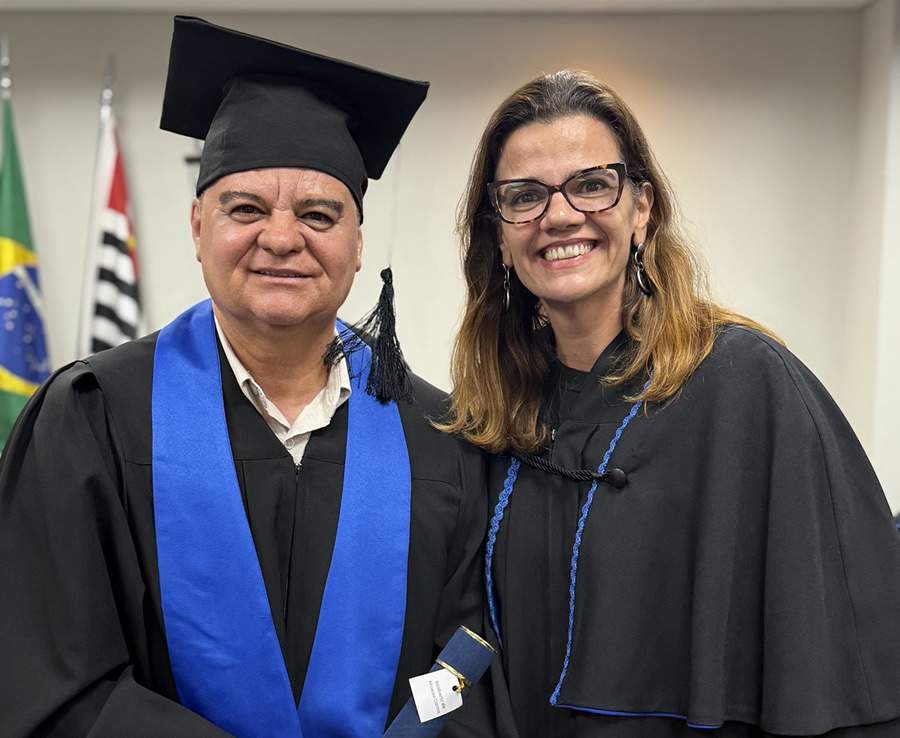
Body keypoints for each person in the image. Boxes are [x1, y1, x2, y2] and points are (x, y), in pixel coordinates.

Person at [0, 17, 490, 738]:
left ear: (358, 246)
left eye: (320, 214)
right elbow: (47, 677)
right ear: (198, 227)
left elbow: (468, 667)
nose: (282, 238)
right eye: (246, 209)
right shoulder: (94, 417)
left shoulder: (443, 439)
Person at [440, 69, 900, 737]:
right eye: (525, 196)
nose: (560, 215)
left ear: (642, 208)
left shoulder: (747, 386)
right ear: (500, 230)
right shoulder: (490, 418)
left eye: (592, 184)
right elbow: (458, 658)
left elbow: (843, 650)